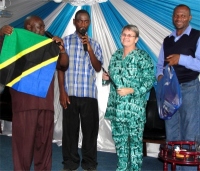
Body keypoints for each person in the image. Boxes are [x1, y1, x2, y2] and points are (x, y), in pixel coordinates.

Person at [0, 16, 69, 171]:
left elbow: (63, 65)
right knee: (23, 147)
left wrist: (62, 50)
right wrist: (1, 34)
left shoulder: (48, 47)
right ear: (29, 28)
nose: (43, 29)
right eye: (40, 26)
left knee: (44, 146)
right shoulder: (15, 42)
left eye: (43, 26)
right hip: (25, 105)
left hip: (46, 104)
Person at [102, 24, 155, 171]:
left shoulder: (142, 57)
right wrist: (106, 78)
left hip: (134, 109)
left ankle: (135, 169)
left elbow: (149, 80)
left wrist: (131, 90)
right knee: (120, 142)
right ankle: (122, 168)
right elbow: (113, 78)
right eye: (124, 34)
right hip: (116, 107)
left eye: (129, 35)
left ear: (136, 39)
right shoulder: (116, 55)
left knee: (135, 143)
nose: (126, 37)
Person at [58, 9, 103, 171]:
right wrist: (62, 91)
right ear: (75, 22)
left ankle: (89, 163)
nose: (83, 24)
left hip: (89, 94)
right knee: (70, 131)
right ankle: (70, 162)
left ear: (88, 23)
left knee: (90, 131)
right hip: (69, 94)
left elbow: (98, 68)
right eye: (80, 21)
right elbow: (60, 68)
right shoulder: (66, 42)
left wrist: (89, 48)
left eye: (86, 21)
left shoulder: (95, 44)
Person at [156, 4, 200, 170]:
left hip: (190, 88)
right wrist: (160, 77)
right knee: (172, 131)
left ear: (190, 18)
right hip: (170, 91)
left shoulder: (197, 36)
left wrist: (181, 58)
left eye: (183, 16)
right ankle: (174, 167)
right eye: (176, 15)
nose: (179, 18)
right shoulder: (167, 39)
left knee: (190, 131)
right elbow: (160, 64)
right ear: (173, 17)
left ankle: (188, 169)